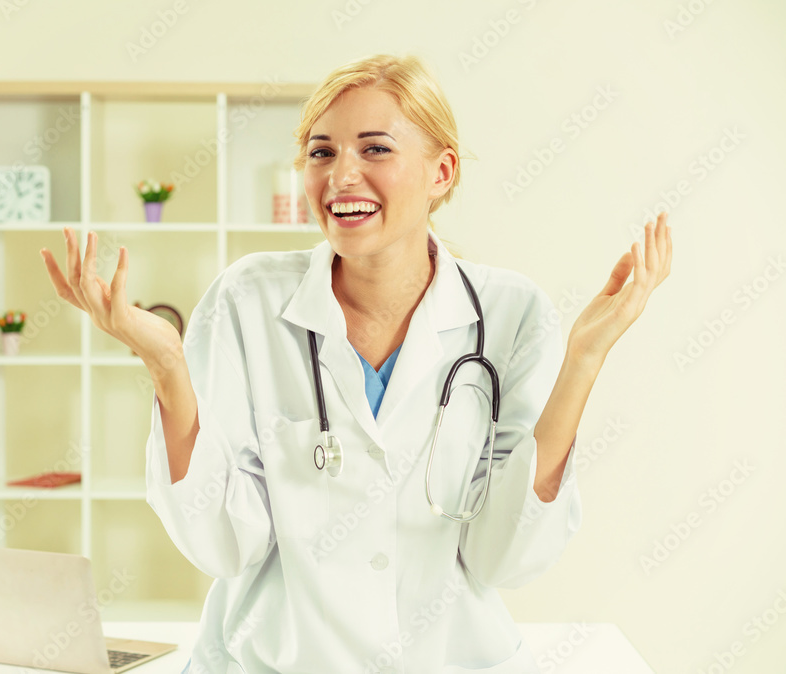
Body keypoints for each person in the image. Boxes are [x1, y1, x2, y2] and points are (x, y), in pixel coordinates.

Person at [40, 53, 671, 673]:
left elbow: (506, 557)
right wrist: (168, 367)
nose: (340, 175)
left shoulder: (511, 315)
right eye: (321, 152)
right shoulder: (249, 298)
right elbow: (224, 545)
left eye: (375, 149)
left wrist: (585, 359)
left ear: (442, 172)